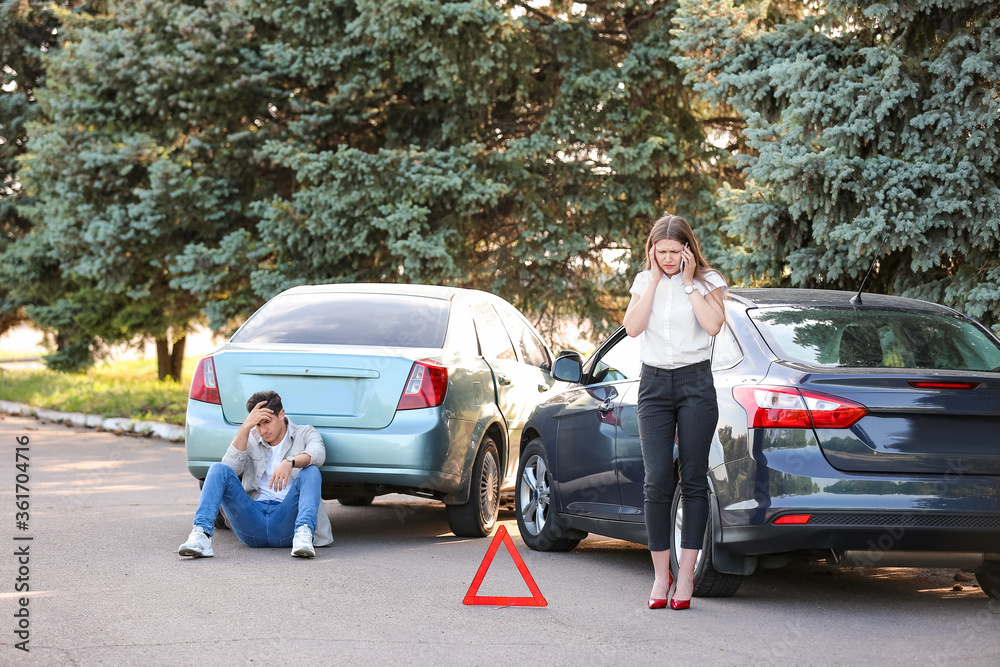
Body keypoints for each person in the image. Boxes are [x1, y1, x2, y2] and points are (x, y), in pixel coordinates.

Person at [622, 214, 728, 610]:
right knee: (656, 481)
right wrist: (652, 280)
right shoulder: (642, 281)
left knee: (695, 477)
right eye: (660, 252)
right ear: (652, 250)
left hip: (695, 384)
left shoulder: (709, 281)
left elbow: (713, 325)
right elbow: (633, 329)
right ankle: (659, 576)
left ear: (687, 248)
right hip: (653, 385)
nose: (668, 259)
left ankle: (686, 577)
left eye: (674, 251)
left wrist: (687, 285)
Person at [178, 390, 334, 558]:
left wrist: (290, 461)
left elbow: (318, 454)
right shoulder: (250, 437)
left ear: (281, 414)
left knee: (311, 471)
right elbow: (228, 470)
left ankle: (304, 534)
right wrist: (246, 427)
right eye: (257, 424)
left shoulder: (304, 433)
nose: (262, 430)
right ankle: (201, 536)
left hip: (287, 521)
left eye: (267, 422)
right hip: (252, 521)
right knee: (218, 468)